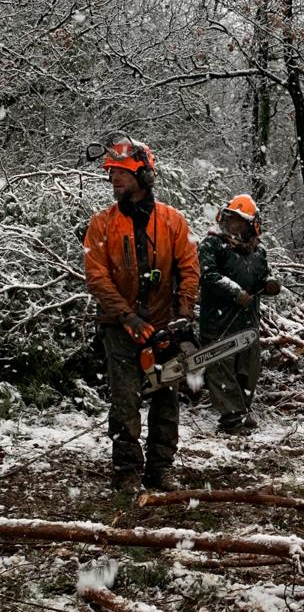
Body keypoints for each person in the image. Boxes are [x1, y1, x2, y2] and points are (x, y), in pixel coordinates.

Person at [83, 134, 200, 493]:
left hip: (164, 321)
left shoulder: (172, 221)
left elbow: (189, 269)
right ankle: (127, 470)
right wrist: (127, 317)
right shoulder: (101, 224)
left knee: (166, 399)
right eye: (112, 172)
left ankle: (161, 467)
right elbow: (97, 276)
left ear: (143, 175)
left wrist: (183, 313)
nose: (114, 178)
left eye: (122, 171)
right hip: (120, 326)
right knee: (125, 400)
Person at [198, 194, 280, 434]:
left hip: (248, 321)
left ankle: (243, 410)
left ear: (250, 224)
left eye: (239, 220)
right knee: (221, 371)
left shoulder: (258, 251)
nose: (232, 224)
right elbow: (208, 275)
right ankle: (231, 418)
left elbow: (264, 275)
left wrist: (271, 283)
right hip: (218, 321)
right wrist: (234, 292)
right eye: (231, 218)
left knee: (249, 371)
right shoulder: (212, 244)